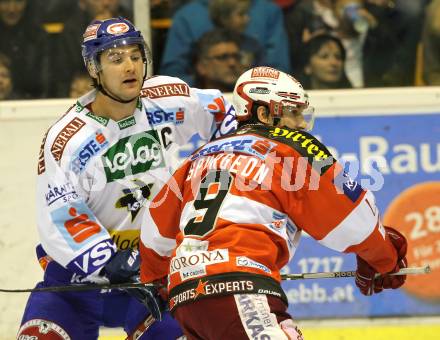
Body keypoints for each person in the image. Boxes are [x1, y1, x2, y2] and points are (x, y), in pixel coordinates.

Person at [139, 66, 408, 339]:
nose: (301, 123)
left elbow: (154, 235)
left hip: (186, 297)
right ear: (264, 113)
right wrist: (384, 256)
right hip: (239, 287)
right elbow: (353, 221)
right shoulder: (293, 146)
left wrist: (157, 281)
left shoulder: (197, 158)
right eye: (292, 112)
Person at [17, 17, 236, 340]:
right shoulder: (68, 139)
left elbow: (223, 115)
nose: (129, 66)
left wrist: (209, 184)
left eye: (135, 56)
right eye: (115, 59)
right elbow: (61, 214)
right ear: (94, 69)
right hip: (76, 284)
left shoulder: (166, 99)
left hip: (149, 278)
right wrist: (110, 260)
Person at [160, 0, 290, 85]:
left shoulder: (268, 13)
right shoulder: (187, 17)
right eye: (241, 14)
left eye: (246, 13)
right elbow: (173, 76)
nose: (247, 19)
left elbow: (278, 73)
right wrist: (202, 87)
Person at [0, 0, 49, 98]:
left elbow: (46, 88)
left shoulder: (39, 38)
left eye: (18, 1)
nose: (12, 9)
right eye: (5, 1)